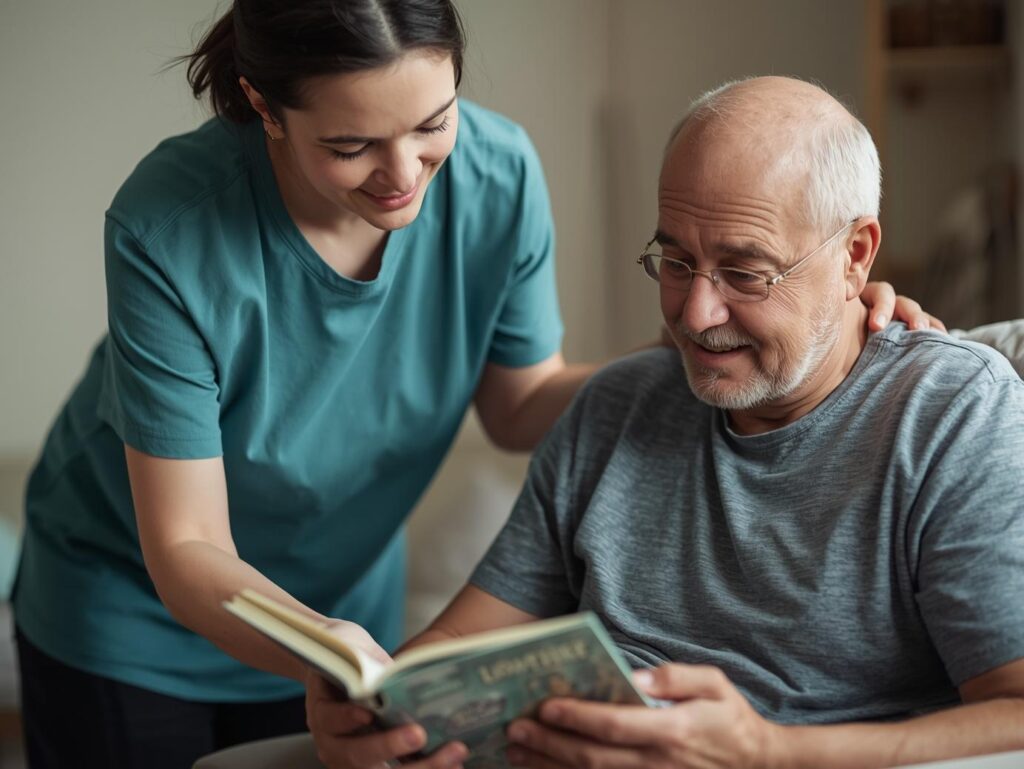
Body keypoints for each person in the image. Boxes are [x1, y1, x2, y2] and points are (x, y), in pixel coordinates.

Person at [10, 1, 934, 764]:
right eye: (351, 146)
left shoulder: (497, 175)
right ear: (264, 105)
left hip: (351, 618)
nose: (404, 176)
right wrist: (339, 656)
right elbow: (186, 545)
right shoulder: (168, 223)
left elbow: (520, 404)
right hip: (131, 609)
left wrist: (769, 339)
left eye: (432, 124)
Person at [309, 77, 1024, 769]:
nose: (693, 315)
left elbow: (1014, 711)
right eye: (676, 260)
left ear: (855, 256)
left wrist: (766, 753)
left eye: (746, 272)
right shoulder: (617, 405)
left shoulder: (952, 412)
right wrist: (378, 706)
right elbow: (459, 643)